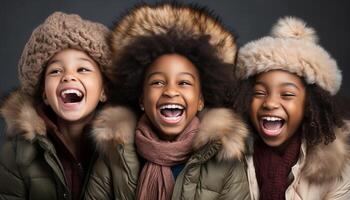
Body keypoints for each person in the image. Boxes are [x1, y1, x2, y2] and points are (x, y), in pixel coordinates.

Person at [85, 2, 251, 200]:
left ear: (200, 101)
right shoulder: (114, 152)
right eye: (157, 82)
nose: (171, 91)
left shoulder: (224, 158)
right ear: (141, 99)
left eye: (183, 82)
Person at [234, 16, 350, 199]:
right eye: (260, 93)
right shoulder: (228, 155)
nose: (270, 103)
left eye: (287, 94)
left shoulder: (338, 170)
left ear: (310, 105)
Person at [0, 12, 113, 200]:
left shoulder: (123, 149)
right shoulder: (18, 152)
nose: (68, 76)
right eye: (56, 71)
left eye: (83, 69)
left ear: (104, 90)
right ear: (44, 93)